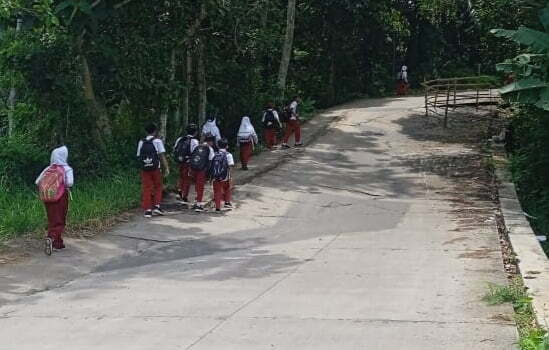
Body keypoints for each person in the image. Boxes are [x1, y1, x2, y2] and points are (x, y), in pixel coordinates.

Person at [35, 145, 74, 251]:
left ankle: (54, 239)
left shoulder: (48, 168)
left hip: (48, 197)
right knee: (60, 219)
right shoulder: (66, 169)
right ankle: (53, 240)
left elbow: (37, 182)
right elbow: (70, 183)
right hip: (60, 197)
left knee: (52, 218)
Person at [136, 123, 170, 218]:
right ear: (155, 131)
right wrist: (166, 167)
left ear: (146, 131)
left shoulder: (141, 142)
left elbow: (139, 156)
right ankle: (157, 206)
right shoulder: (157, 141)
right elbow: (161, 156)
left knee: (146, 188)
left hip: (145, 169)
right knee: (158, 186)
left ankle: (147, 210)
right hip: (156, 168)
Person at [173, 123, 199, 204]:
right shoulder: (194, 141)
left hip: (179, 161)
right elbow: (196, 153)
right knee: (187, 178)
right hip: (188, 162)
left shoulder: (180, 139)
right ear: (195, 132)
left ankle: (179, 191)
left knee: (180, 176)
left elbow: (175, 149)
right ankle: (184, 196)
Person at [190, 135, 216, 212]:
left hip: (194, 168)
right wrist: (210, 173)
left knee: (196, 186)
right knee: (200, 186)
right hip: (202, 170)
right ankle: (198, 204)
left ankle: (196, 202)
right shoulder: (210, 149)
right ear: (211, 141)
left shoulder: (198, 146)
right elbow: (211, 161)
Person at [211, 138, 235, 213]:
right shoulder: (229, 155)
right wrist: (230, 177)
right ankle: (227, 202)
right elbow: (230, 166)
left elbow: (211, 165)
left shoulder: (214, 154)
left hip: (216, 177)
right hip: (225, 177)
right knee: (227, 188)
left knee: (217, 191)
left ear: (218, 146)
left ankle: (218, 207)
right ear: (227, 146)